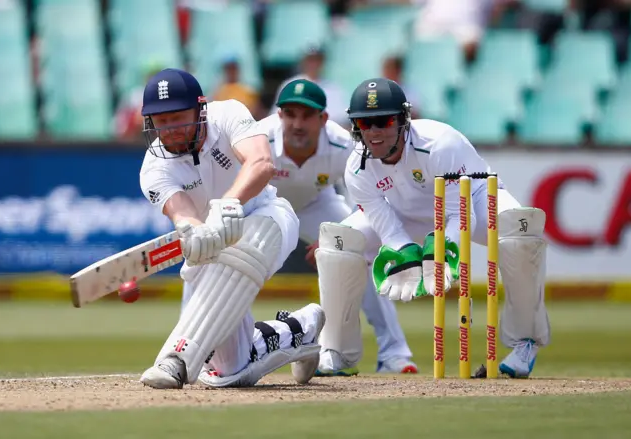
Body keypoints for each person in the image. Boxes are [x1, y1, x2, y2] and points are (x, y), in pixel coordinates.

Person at [316, 77, 550, 378]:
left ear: (403, 120)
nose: (373, 132)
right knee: (339, 242)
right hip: (405, 214)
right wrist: (403, 252)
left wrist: (444, 250)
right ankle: (335, 350)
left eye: (383, 121)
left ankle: (525, 343)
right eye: (364, 123)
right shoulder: (356, 168)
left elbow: (459, 216)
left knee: (521, 231)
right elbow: (387, 226)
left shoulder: (439, 145)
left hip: (475, 201)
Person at [138, 68, 326, 389]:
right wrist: (193, 231)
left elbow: (261, 162)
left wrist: (227, 205)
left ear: (200, 109)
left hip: (268, 219)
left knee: (245, 246)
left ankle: (176, 360)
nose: (169, 129)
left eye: (178, 117)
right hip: (216, 248)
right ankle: (299, 331)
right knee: (231, 372)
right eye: (160, 120)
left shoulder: (227, 114)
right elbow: (182, 213)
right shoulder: (154, 169)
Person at [254, 78, 417, 375]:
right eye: (290, 114)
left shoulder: (344, 145)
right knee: (231, 260)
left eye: (306, 116)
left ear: (323, 119)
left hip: (318, 204)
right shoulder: (259, 137)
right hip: (266, 206)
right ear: (279, 116)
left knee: (355, 255)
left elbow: (368, 197)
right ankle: (211, 348)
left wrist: (340, 238)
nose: (298, 124)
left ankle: (394, 353)